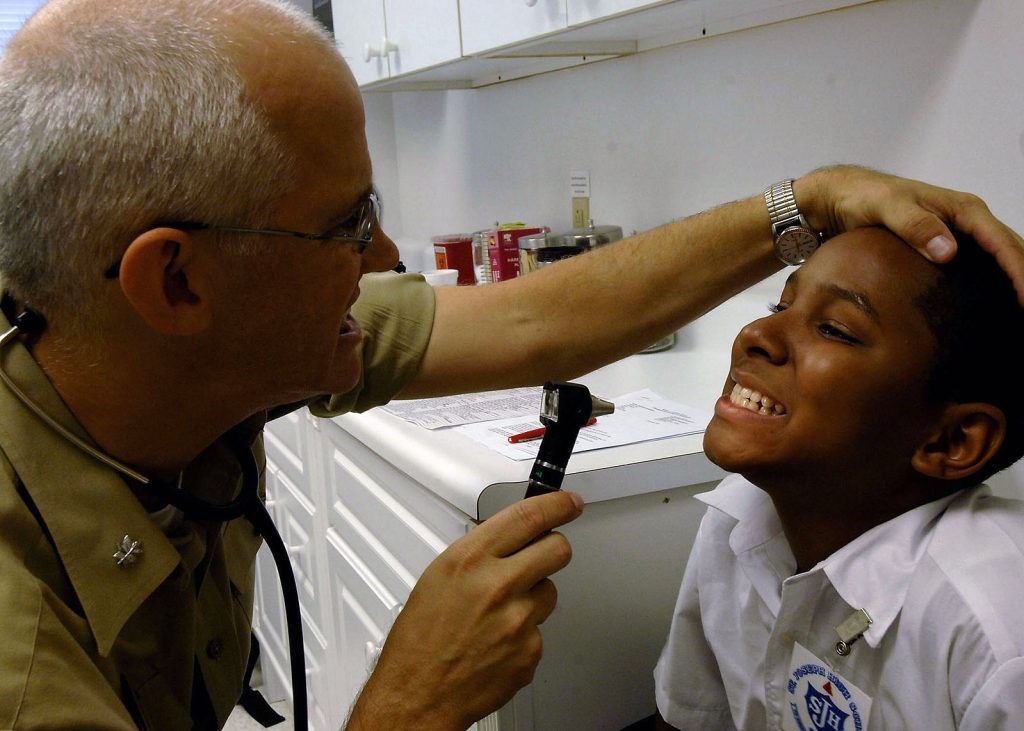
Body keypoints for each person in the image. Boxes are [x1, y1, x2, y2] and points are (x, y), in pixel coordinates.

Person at [0, 0, 1021, 729]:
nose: (388, 261)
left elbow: (536, 322)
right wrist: (408, 704)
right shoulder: (21, 657)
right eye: (348, 224)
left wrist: (807, 197)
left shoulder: (159, 345)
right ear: (176, 286)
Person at [653, 227, 1024, 730]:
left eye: (834, 329)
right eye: (777, 307)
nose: (755, 336)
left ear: (950, 441)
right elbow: (693, 718)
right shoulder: (739, 518)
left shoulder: (996, 633)